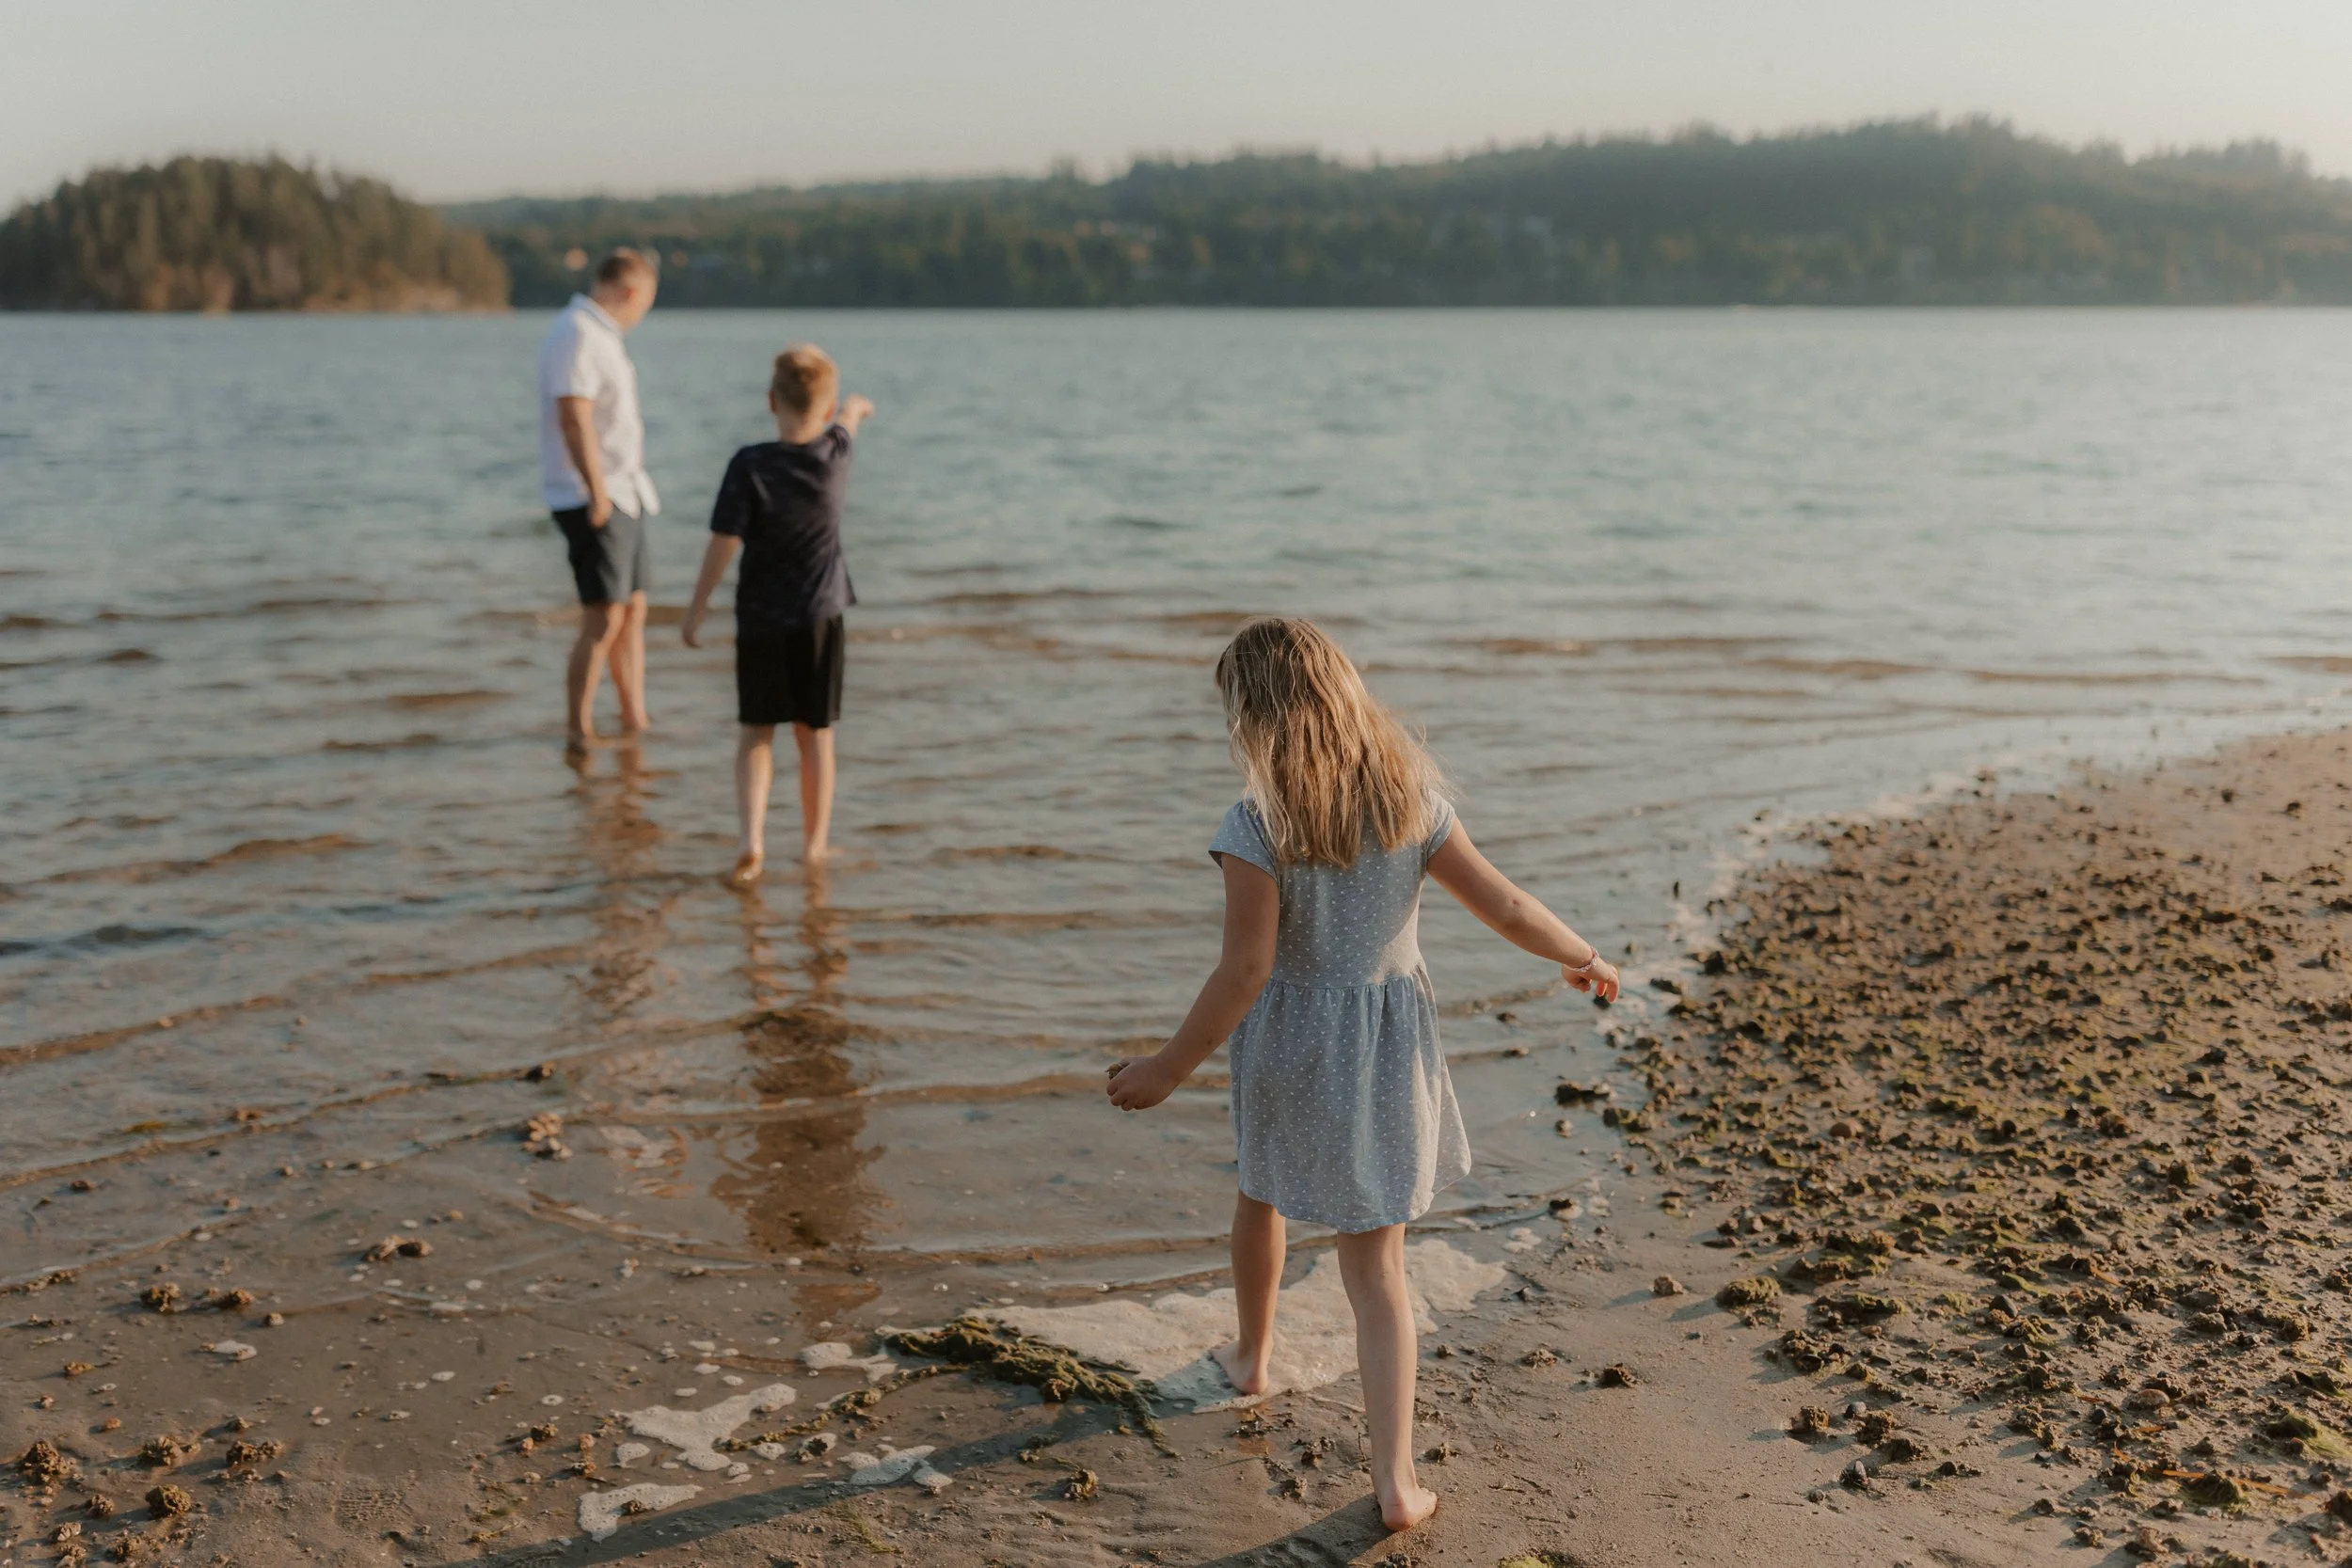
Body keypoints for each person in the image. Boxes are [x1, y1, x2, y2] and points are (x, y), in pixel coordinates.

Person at [1105, 617, 1621, 1533]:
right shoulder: (1412, 802)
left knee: (1259, 1189)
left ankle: (1250, 1356)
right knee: (1377, 1268)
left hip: (1288, 1047)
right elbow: (1501, 901)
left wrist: (1166, 1065)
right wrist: (1577, 953)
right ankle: (1395, 1480)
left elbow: (1245, 970)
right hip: (1386, 1048)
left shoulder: (1256, 823)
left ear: (1256, 719)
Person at [681, 344, 875, 886]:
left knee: (756, 733)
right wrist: (857, 407)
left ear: (771, 402)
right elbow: (848, 422)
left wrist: (697, 611)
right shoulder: (834, 455)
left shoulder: (749, 465)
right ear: (828, 402)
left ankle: (751, 841)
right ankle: (813, 847)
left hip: (761, 619)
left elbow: (724, 542)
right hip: (820, 618)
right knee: (816, 736)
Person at [538, 249, 660, 747]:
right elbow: (574, 414)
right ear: (630, 293)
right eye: (644, 305)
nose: (640, 316)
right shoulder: (578, 332)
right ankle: (578, 729)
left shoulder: (603, 336)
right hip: (594, 494)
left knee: (632, 610)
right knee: (604, 614)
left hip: (627, 492)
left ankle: (635, 720)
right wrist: (596, 491)